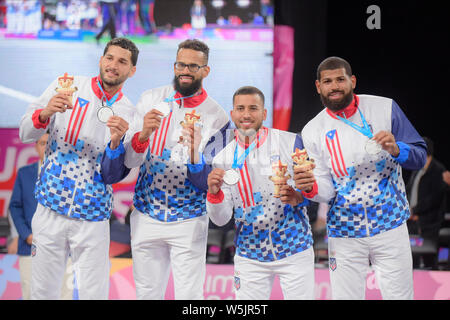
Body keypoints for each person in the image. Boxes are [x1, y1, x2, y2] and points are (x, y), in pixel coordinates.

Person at [101, 39, 230, 299]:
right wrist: (143, 135)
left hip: (189, 220)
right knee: (147, 294)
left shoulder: (218, 117)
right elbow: (130, 162)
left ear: (206, 71)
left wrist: (195, 156)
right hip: (146, 215)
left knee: (189, 298)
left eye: (194, 66)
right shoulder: (150, 98)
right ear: (174, 66)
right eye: (182, 64)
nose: (186, 70)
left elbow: (210, 183)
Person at [294, 56, 427, 300]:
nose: (334, 86)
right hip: (345, 232)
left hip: (390, 225)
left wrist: (397, 149)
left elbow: (419, 156)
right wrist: (310, 188)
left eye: (340, 80)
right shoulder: (312, 130)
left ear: (352, 81)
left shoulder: (384, 108)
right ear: (318, 86)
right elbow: (326, 190)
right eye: (327, 81)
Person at [19, 37, 139, 300]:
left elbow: (113, 175)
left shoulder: (130, 114)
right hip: (50, 208)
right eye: (109, 58)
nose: (113, 65)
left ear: (131, 70)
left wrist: (117, 144)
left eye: (122, 61)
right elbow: (25, 131)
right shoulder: (67, 87)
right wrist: (45, 113)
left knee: (94, 295)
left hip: (93, 217)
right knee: (43, 293)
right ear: (101, 60)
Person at [206, 86, 315, 300]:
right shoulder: (222, 159)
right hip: (250, 255)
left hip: (294, 248)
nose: (246, 114)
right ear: (233, 114)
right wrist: (214, 193)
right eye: (241, 108)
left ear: (264, 113)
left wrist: (299, 197)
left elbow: (312, 191)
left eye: (253, 108)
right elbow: (221, 219)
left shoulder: (290, 142)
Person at [9, 132, 73, 300]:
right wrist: (26, 235)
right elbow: (15, 207)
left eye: (49, 143)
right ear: (35, 146)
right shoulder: (24, 174)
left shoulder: (68, 173)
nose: (45, 147)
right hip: (30, 245)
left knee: (63, 295)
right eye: (42, 143)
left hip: (62, 245)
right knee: (31, 293)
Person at [406, 136, 447, 269]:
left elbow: (433, 199)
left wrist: (414, 210)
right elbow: (409, 190)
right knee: (412, 260)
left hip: (429, 225)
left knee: (429, 260)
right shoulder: (416, 169)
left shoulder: (438, 170)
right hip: (412, 222)